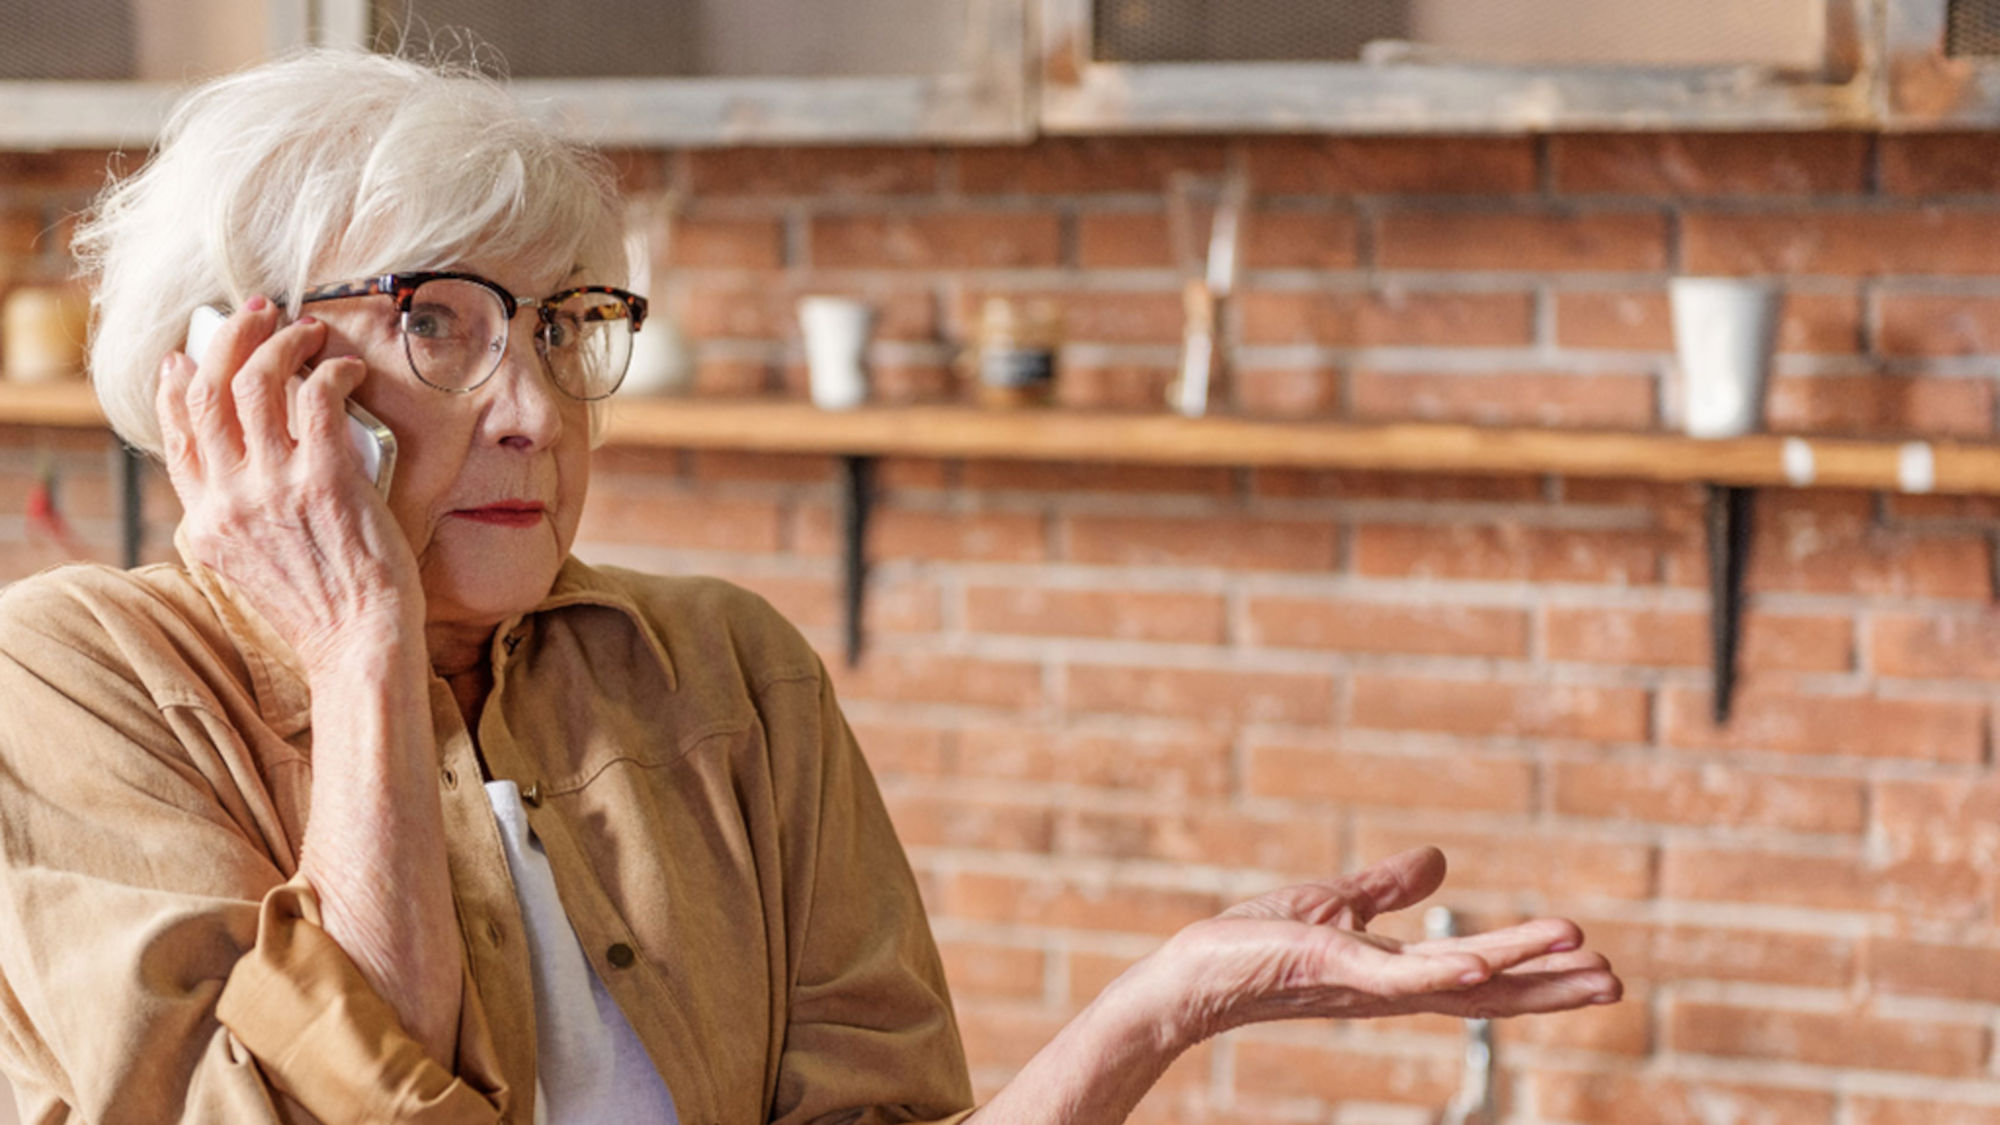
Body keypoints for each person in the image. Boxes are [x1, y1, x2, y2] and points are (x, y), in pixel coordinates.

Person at [0, 48, 1620, 1125]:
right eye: (442, 318)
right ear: (239, 365)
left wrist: (1160, 1006)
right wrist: (358, 649)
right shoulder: (74, 682)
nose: (535, 406)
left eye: (564, 324)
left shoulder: (722, 670)